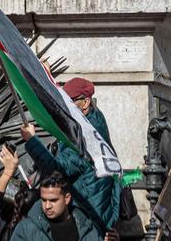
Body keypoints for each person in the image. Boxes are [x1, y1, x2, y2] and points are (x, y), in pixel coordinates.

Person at [19, 77, 122, 234]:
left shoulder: (86, 138)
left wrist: (32, 141)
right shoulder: (91, 119)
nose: (64, 107)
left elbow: (57, 170)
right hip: (93, 211)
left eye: (70, 102)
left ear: (86, 103)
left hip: (91, 218)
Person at [10, 172, 104, 241]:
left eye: (53, 200)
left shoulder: (88, 228)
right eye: (43, 200)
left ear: (67, 198)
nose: (47, 206)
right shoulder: (26, 230)